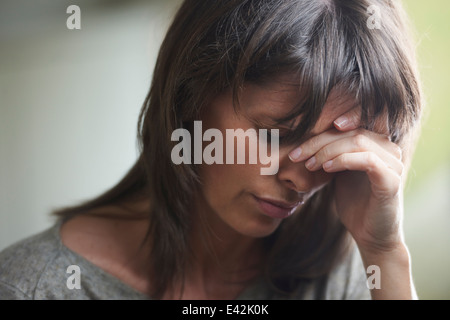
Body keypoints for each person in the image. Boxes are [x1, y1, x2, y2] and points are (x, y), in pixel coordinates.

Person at [0, 0, 422, 300]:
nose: (302, 178)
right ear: (192, 99)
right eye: (275, 134)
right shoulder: (37, 286)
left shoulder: (341, 276)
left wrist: (384, 253)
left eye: (331, 146)